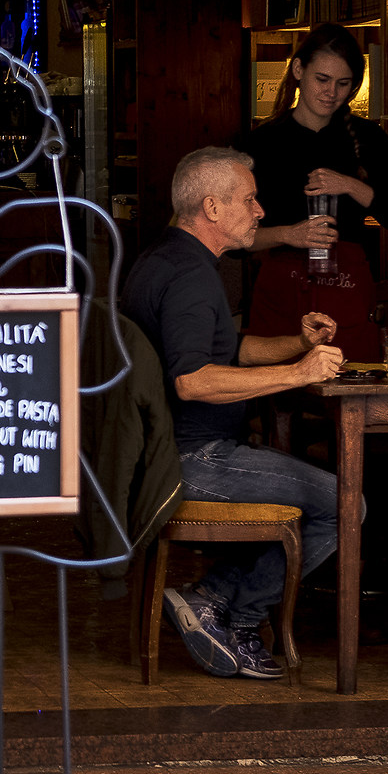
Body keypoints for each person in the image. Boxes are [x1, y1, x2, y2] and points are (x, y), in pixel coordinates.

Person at [124, 147, 346, 679]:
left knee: (326, 498)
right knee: (346, 503)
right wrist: (299, 373)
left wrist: (296, 344)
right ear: (212, 207)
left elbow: (226, 350)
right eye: (249, 199)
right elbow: (193, 380)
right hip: (187, 461)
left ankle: (212, 599)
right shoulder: (192, 277)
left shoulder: (167, 258)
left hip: (162, 453)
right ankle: (235, 614)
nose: (261, 211)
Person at [236, 22, 388, 362]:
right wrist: (289, 234)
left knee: (349, 380)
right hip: (280, 296)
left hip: (346, 292)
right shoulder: (261, 143)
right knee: (280, 387)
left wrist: (350, 185)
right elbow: (235, 242)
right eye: (322, 79)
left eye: (343, 83)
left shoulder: (369, 139)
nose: (331, 92)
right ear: (298, 70)